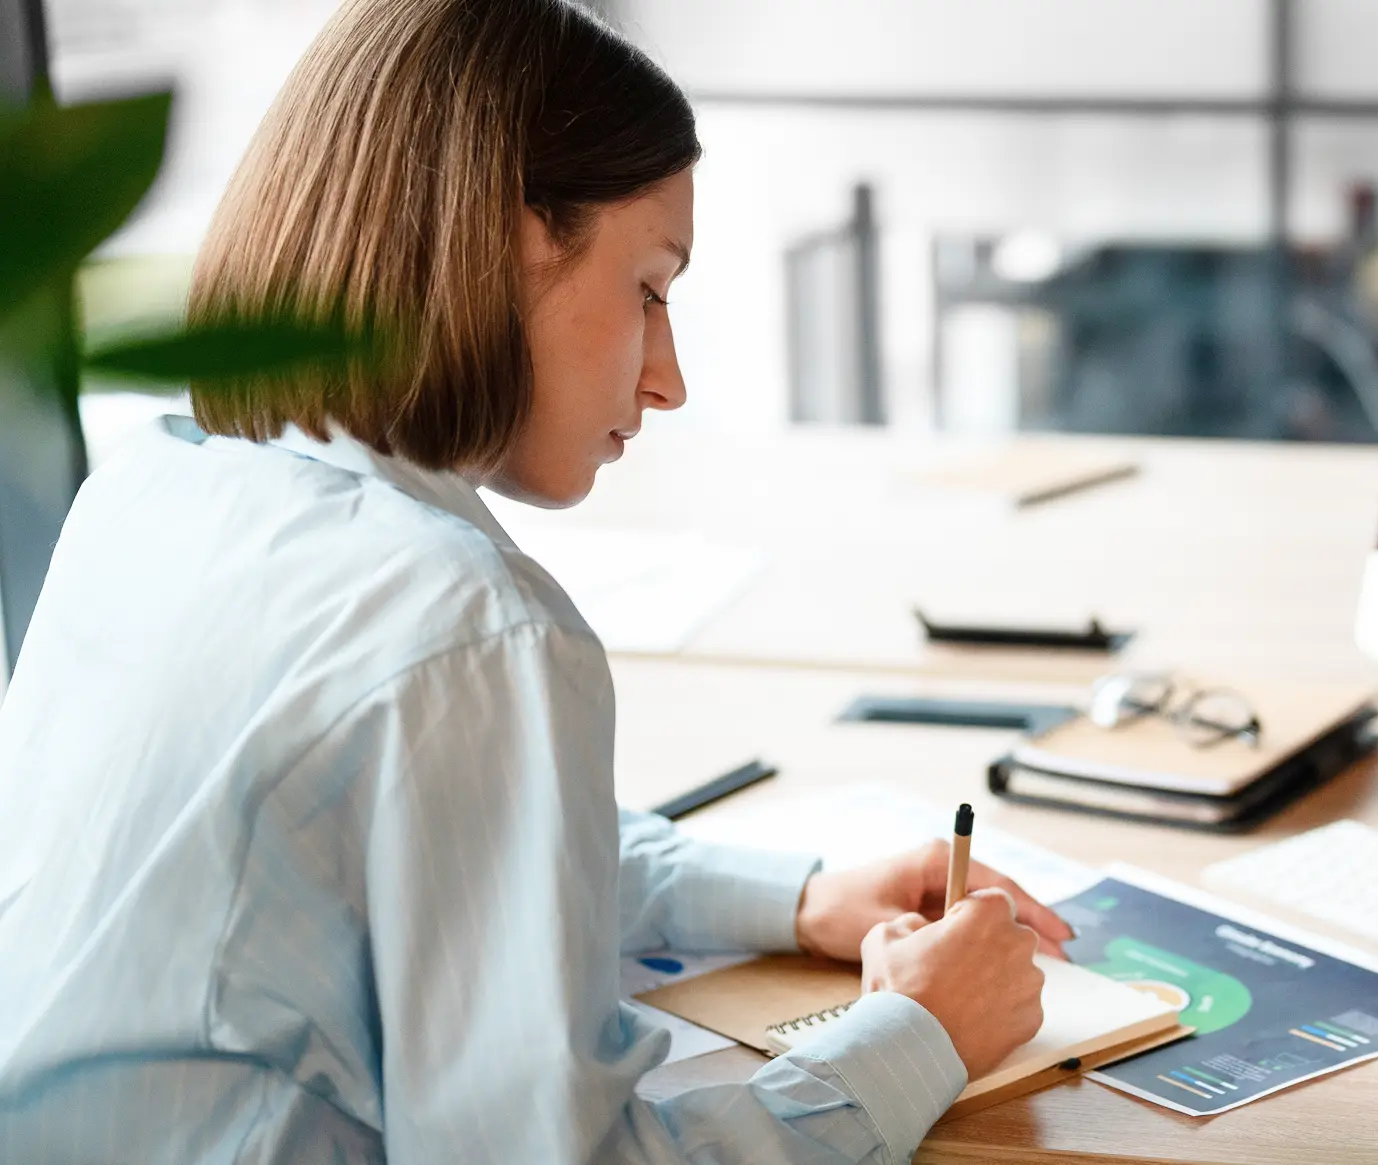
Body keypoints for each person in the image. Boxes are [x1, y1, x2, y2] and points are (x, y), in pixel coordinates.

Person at [0, 2, 1069, 1161]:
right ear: (513, 242)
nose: (670, 381)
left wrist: (797, 896)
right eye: (651, 290)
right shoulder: (469, 628)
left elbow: (432, 854)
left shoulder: (156, 487)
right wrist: (916, 1032)